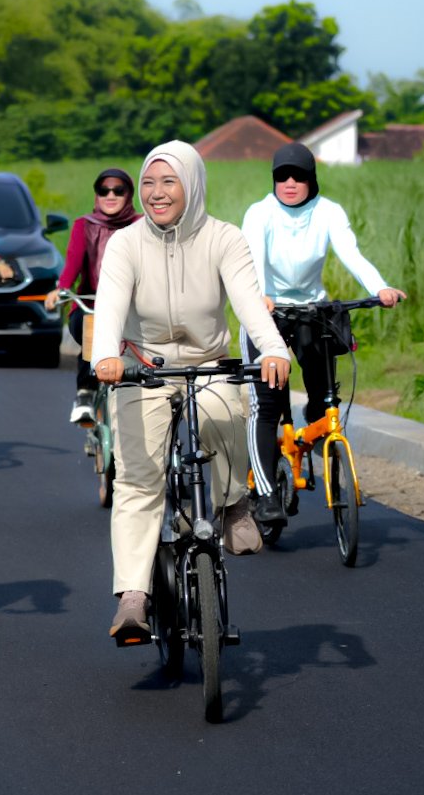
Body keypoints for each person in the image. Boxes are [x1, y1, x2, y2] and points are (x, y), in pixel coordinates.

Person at [91, 141, 291, 642]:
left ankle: (233, 502)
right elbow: (110, 306)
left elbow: (249, 304)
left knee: (227, 415)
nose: (156, 194)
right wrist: (105, 358)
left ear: (193, 185)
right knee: (138, 481)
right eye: (149, 183)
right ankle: (133, 594)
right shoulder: (127, 243)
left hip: (208, 363)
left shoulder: (224, 239)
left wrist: (274, 351)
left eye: (169, 182)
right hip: (142, 369)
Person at [239, 143, 405, 524]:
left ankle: (316, 431)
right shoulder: (260, 213)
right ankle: (265, 495)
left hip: (312, 309)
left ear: (312, 179)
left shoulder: (328, 212)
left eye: (299, 176)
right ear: (274, 180)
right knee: (266, 406)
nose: (291, 183)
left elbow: (351, 253)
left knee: (323, 397)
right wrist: (261, 296)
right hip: (267, 313)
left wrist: (380, 288)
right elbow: (252, 257)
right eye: (283, 176)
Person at [44, 167, 140, 425]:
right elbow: (72, 266)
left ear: (129, 194)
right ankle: (85, 394)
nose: (110, 195)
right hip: (90, 305)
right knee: (94, 330)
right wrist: (60, 289)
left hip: (132, 308)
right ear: (96, 195)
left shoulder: (141, 225)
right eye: (103, 190)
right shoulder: (84, 225)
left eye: (118, 190)